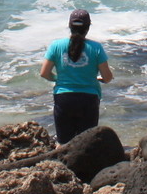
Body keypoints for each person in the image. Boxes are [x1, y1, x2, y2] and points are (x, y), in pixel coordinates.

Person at [40, 9, 114, 143]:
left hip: (64, 98)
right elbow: (107, 77)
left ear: (69, 26)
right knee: (86, 144)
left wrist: (58, 79)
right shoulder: (96, 47)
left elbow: (44, 73)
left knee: (63, 143)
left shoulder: (56, 45)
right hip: (89, 100)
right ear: (88, 27)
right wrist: (97, 78)